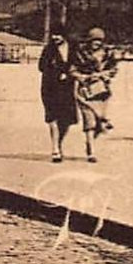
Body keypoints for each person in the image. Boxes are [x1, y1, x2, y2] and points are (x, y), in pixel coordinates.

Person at [38, 24, 82, 163]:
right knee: (52, 118)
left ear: (64, 35)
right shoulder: (49, 49)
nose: (55, 38)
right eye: (53, 35)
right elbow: (41, 66)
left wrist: (69, 75)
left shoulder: (74, 48)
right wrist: (56, 71)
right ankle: (55, 149)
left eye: (58, 35)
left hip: (67, 88)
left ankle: (58, 143)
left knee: (67, 120)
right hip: (50, 87)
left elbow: (78, 64)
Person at [70, 26, 117, 144]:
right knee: (89, 120)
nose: (96, 43)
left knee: (98, 118)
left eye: (99, 41)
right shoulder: (80, 54)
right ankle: (90, 149)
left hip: (101, 90)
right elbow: (72, 70)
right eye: (94, 40)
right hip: (85, 90)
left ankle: (101, 122)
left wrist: (105, 75)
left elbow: (113, 69)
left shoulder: (107, 53)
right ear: (89, 41)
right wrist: (83, 77)